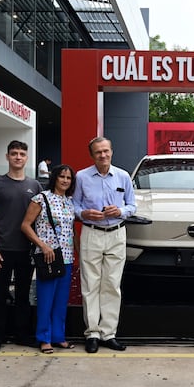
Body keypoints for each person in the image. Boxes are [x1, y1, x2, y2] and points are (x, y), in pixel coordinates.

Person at [72, 137, 136, 353]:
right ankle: (92, 333)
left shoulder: (123, 176)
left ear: (111, 151)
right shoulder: (81, 176)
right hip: (92, 232)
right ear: (92, 155)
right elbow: (74, 205)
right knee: (90, 284)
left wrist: (121, 212)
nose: (103, 155)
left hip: (117, 234)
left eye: (106, 151)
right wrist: (83, 213)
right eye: (98, 152)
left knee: (112, 284)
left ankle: (108, 333)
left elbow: (132, 205)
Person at [0, 140, 42, 354]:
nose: (18, 157)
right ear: (7, 157)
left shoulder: (35, 186)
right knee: (0, 295)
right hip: (1, 249)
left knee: (23, 295)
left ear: (27, 158)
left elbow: (39, 218)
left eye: (22, 154)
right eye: (14, 153)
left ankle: (22, 335)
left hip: (26, 250)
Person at [21, 164, 78, 353]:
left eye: (68, 178)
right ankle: (44, 338)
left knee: (61, 300)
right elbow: (26, 226)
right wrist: (43, 245)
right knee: (46, 299)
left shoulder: (70, 202)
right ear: (54, 177)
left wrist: (78, 253)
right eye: (62, 176)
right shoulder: (41, 199)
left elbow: (72, 231)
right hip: (48, 256)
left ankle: (58, 337)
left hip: (67, 257)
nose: (65, 180)